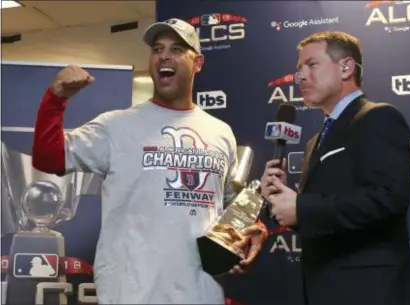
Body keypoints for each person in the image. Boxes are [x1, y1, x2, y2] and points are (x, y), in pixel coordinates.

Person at [32, 18, 267, 304]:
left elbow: (228, 209)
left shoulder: (221, 133)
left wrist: (251, 230)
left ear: (199, 63)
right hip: (131, 291)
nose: (164, 55)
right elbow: (48, 157)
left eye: (178, 49)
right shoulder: (116, 126)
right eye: (157, 48)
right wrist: (56, 97)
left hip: (199, 292)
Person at [261, 31, 410, 305]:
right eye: (299, 68)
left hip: (372, 292)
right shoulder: (316, 140)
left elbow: (389, 198)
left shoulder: (378, 117)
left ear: (346, 68)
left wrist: (302, 207)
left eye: (312, 65)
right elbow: (325, 216)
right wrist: (282, 203)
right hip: (324, 290)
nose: (300, 76)